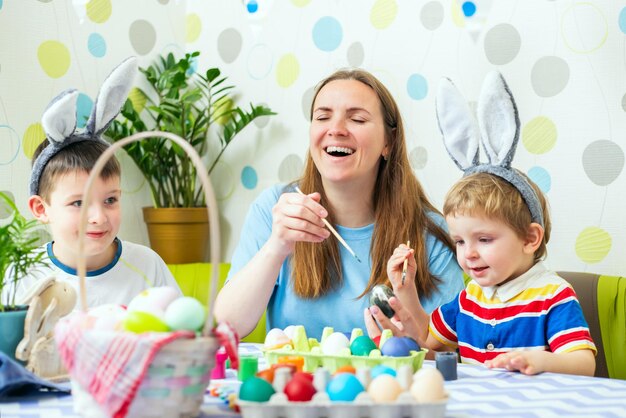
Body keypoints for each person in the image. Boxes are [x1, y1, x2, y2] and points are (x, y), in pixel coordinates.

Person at [366, 72, 596, 376]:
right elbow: (429, 342)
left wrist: (539, 362)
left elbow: (584, 365)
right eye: (460, 242)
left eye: (484, 240)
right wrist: (405, 291)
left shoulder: (552, 296)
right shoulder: (469, 299)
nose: (468, 254)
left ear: (530, 238)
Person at [214, 69, 464, 340]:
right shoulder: (275, 209)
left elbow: (449, 352)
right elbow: (228, 326)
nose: (335, 129)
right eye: (322, 117)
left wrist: (414, 345)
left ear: (388, 142)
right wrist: (277, 246)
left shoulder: (429, 231)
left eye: (357, 119)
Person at [2, 57, 181, 308]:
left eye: (110, 200)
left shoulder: (147, 265)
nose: (98, 217)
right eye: (78, 203)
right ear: (42, 209)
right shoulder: (25, 274)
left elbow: (182, 333)